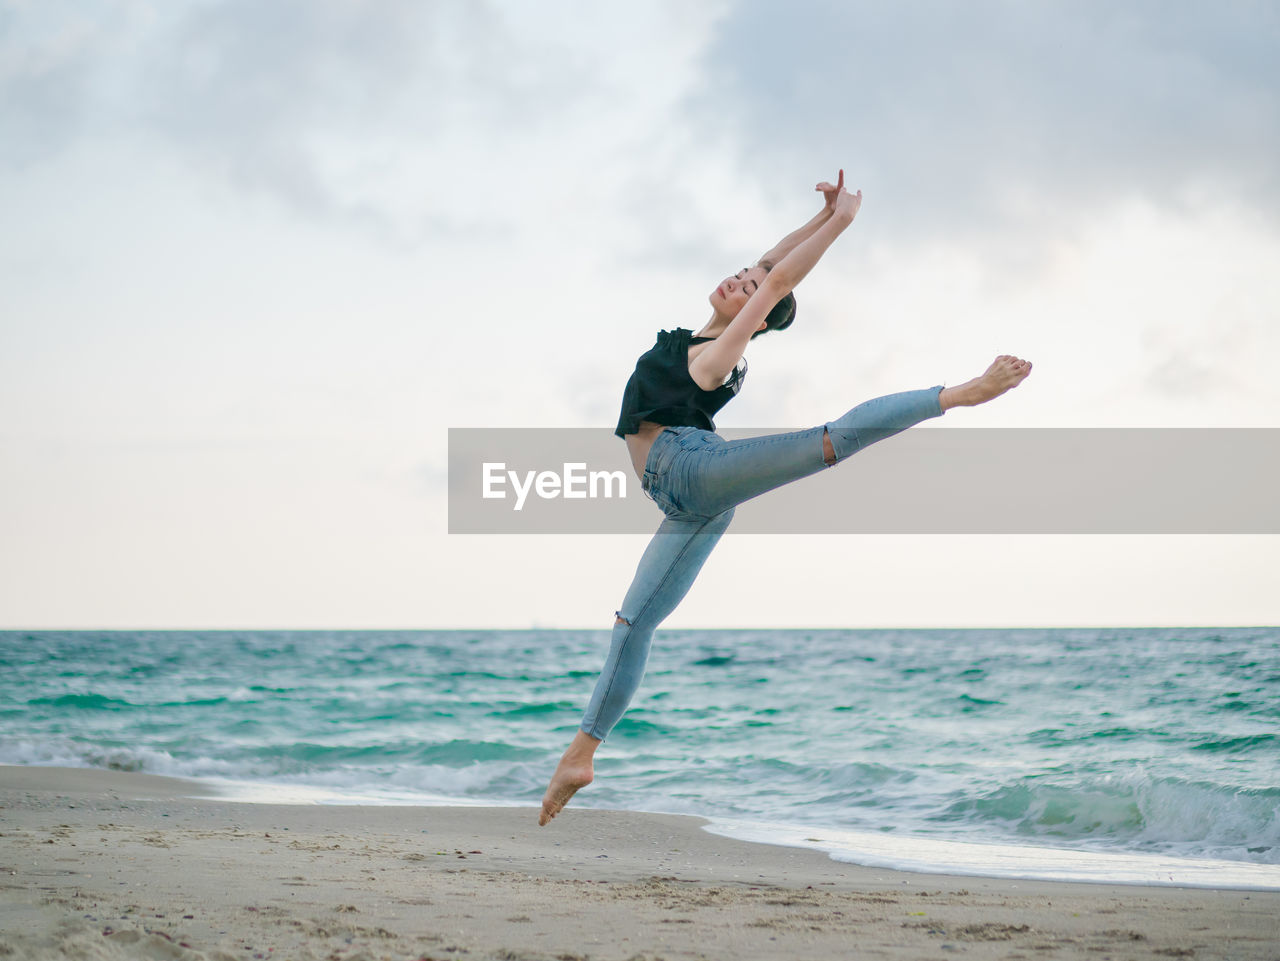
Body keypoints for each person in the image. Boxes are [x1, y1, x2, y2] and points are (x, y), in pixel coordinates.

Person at [539, 171, 1032, 826]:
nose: (742, 279)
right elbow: (772, 265)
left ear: (758, 317)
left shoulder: (715, 356)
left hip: (691, 469)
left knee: (828, 441)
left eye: (751, 288)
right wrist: (818, 215)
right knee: (634, 623)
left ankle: (955, 394)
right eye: (741, 272)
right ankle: (581, 752)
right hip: (686, 500)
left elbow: (776, 282)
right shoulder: (691, 339)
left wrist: (841, 226)